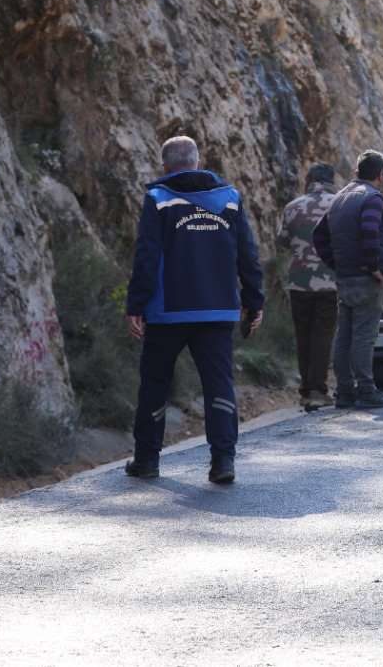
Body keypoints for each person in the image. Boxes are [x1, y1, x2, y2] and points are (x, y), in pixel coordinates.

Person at [124, 135, 264, 485]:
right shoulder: (230, 200)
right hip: (218, 311)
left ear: (165, 167)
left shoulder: (158, 198)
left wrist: (135, 305)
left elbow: (146, 256)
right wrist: (254, 299)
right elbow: (247, 253)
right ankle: (223, 461)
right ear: (199, 164)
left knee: (155, 383)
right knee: (219, 383)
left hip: (168, 311)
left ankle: (147, 460)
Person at [311, 150, 383, 408]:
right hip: (365, 279)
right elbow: (369, 231)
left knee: (344, 337)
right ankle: (366, 391)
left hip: (345, 276)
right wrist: (375, 268)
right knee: (364, 337)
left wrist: (336, 263)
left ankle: (344, 392)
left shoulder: (338, 198)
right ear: (381, 175)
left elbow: (319, 235)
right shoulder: (373, 198)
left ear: (356, 173)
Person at [278, 161, 341, 412]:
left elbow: (282, 241)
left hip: (298, 282)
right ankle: (318, 391)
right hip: (329, 282)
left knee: (303, 336)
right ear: (331, 179)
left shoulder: (293, 206)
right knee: (323, 336)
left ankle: (305, 391)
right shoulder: (340, 205)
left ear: (310, 179)